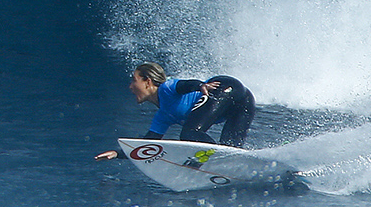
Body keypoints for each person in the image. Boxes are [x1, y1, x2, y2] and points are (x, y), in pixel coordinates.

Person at [93, 62, 256, 160]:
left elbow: (183, 85)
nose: (130, 87)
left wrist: (200, 86)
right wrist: (117, 153)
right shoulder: (162, 116)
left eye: (134, 81)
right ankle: (237, 161)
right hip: (245, 101)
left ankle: (217, 158)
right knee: (232, 150)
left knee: (189, 133)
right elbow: (150, 142)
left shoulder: (167, 88)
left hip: (222, 86)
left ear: (148, 82)